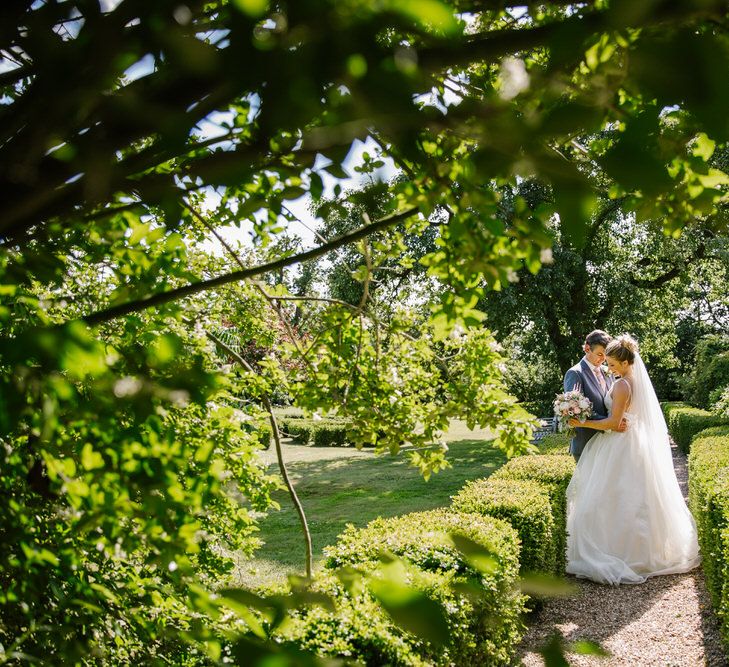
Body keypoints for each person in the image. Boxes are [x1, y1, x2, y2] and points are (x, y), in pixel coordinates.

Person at [565, 335, 700, 585]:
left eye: (613, 364)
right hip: (631, 443)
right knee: (633, 496)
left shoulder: (622, 385)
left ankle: (618, 552)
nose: (609, 368)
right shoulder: (630, 381)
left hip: (619, 443)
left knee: (611, 497)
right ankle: (643, 551)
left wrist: (581, 421)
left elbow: (614, 423)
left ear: (626, 363)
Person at [563, 330, 626, 461]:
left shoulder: (607, 371)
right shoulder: (575, 373)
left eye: (605, 355)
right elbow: (576, 409)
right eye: (599, 354)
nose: (603, 359)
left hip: (609, 444)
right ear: (587, 348)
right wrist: (611, 424)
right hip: (586, 444)